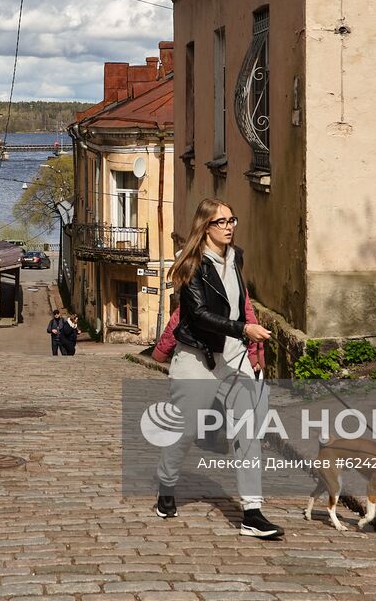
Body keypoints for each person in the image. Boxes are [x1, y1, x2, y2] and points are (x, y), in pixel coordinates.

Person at [154, 199, 281, 539]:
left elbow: (242, 305)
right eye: (221, 221)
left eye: (231, 219)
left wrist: (251, 343)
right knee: (185, 431)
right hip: (197, 358)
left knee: (248, 431)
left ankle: (252, 512)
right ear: (205, 227)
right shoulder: (192, 266)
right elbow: (198, 316)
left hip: (234, 359)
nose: (229, 226)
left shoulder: (235, 257)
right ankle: (166, 484)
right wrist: (243, 330)